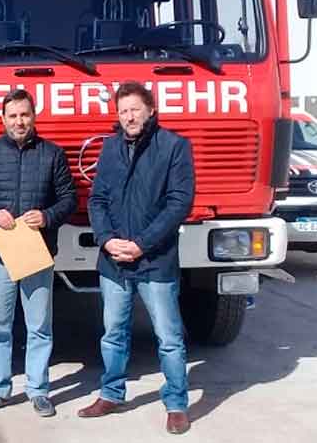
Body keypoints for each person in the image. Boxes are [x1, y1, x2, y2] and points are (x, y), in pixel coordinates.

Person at [78, 80, 195, 435]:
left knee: (169, 336)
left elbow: (179, 203)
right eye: (123, 111)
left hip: (155, 261)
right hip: (114, 261)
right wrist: (106, 240)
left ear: (151, 110)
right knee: (113, 333)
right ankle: (112, 393)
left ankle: (176, 403)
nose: (129, 117)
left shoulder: (174, 147)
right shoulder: (111, 147)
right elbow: (97, 199)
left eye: (135, 110)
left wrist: (142, 244)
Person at [0, 89, 76, 418]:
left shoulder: (53, 155)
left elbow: (69, 199)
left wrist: (48, 217)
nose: (19, 121)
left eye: (24, 114)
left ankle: (38, 390)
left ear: (34, 116)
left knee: (40, 325)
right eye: (12, 116)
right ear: (3, 119)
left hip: (37, 252)